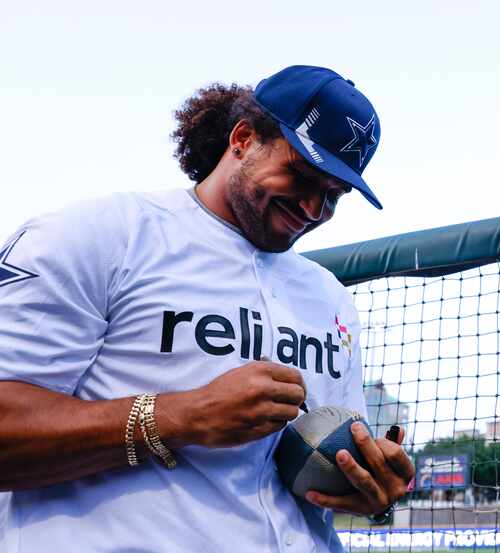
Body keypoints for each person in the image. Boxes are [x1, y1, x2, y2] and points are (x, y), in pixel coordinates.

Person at [0, 65, 414, 552]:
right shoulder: (98, 235)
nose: (312, 208)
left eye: (333, 196)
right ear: (243, 138)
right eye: (301, 175)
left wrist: (370, 485)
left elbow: (322, 458)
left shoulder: (329, 295)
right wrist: (179, 417)